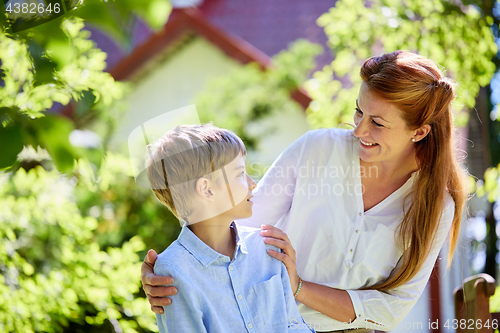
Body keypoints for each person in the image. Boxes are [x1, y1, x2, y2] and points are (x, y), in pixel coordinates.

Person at [141, 51, 469, 332]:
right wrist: (179, 271)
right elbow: (238, 220)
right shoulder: (318, 149)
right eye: (359, 111)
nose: (359, 129)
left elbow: (391, 308)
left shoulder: (438, 206)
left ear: (420, 131)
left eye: (378, 123)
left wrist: (298, 286)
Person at [145, 124, 315, 333]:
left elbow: (293, 325)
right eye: (240, 173)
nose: (253, 184)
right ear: (207, 189)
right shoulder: (174, 270)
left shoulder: (268, 247)